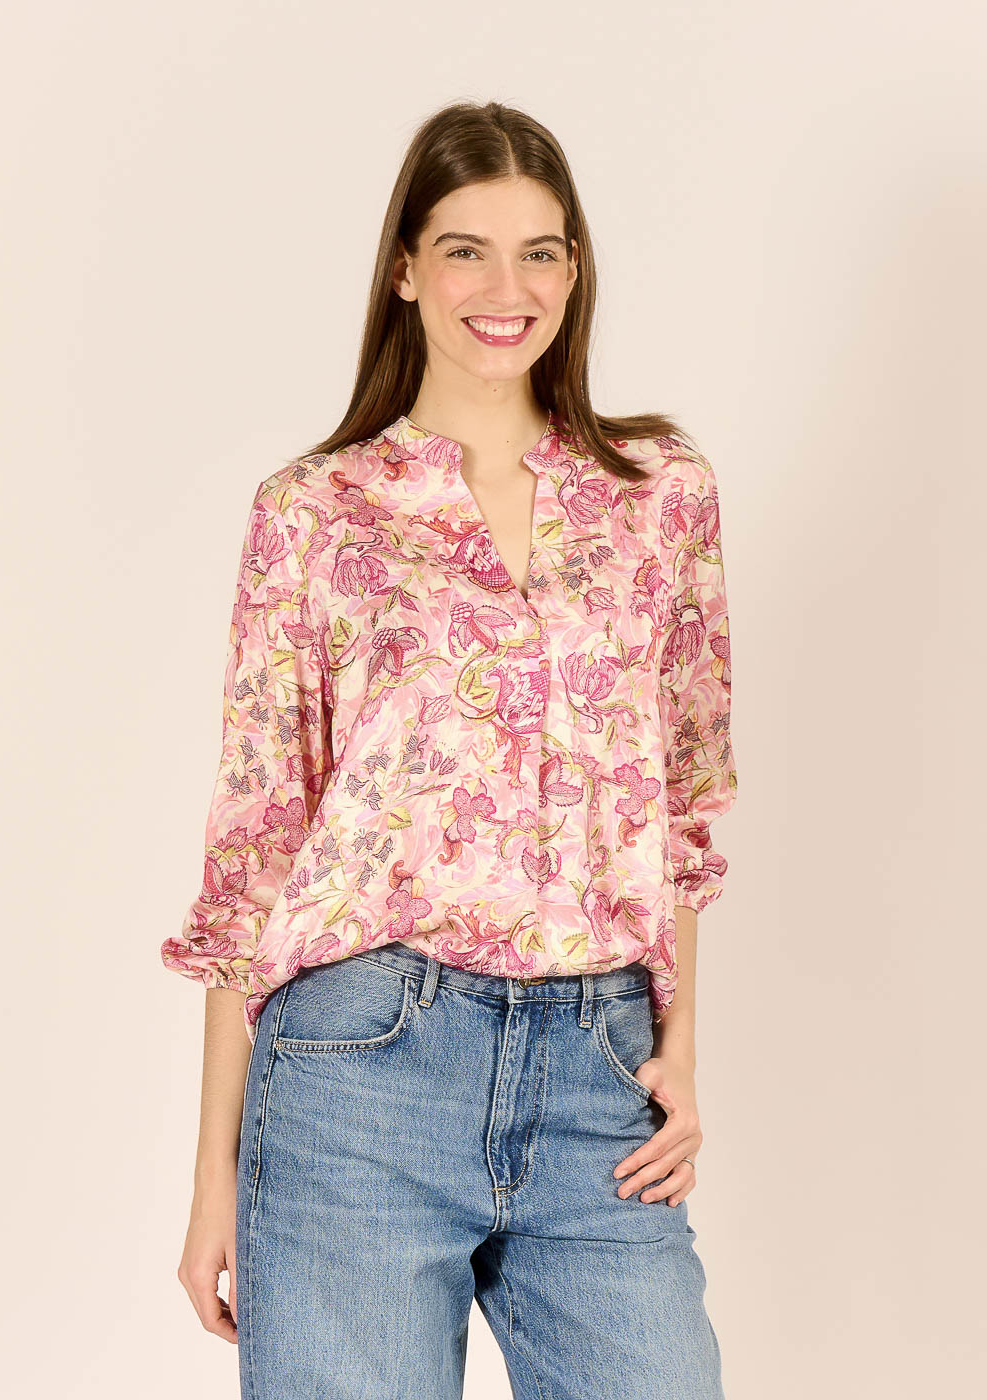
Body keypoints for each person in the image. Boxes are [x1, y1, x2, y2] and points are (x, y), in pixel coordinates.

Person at [163, 99, 738, 1400]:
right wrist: (212, 1180)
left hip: (600, 1073)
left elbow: (683, 807)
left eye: (540, 252)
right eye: (466, 250)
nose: (505, 288)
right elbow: (253, 861)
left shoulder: (661, 495)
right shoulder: (316, 513)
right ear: (406, 270)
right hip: (360, 1068)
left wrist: (680, 1053)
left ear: (575, 272)